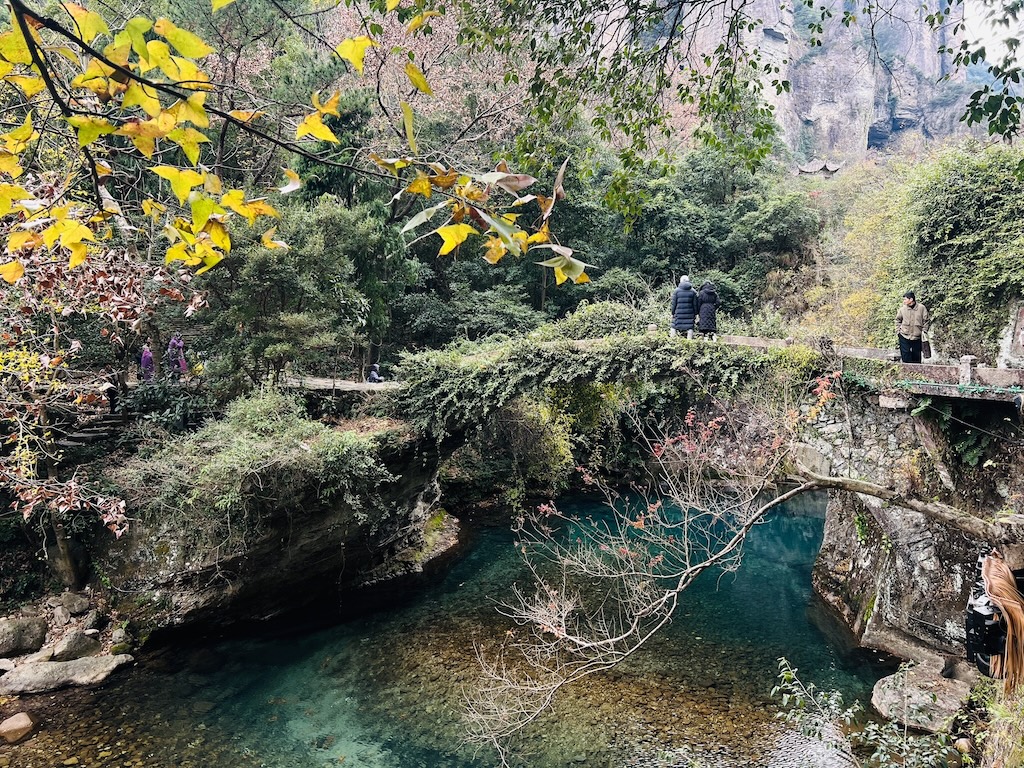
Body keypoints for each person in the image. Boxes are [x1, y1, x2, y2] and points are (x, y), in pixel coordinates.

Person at [895, 291, 929, 363]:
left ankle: (917, 373)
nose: (904, 301)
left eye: (905, 299)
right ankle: (907, 372)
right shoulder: (902, 309)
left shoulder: (922, 308)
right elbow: (898, 320)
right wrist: (898, 331)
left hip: (917, 336)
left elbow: (926, 321)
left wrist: (924, 331)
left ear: (911, 300)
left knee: (916, 356)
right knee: (905, 354)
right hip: (904, 335)